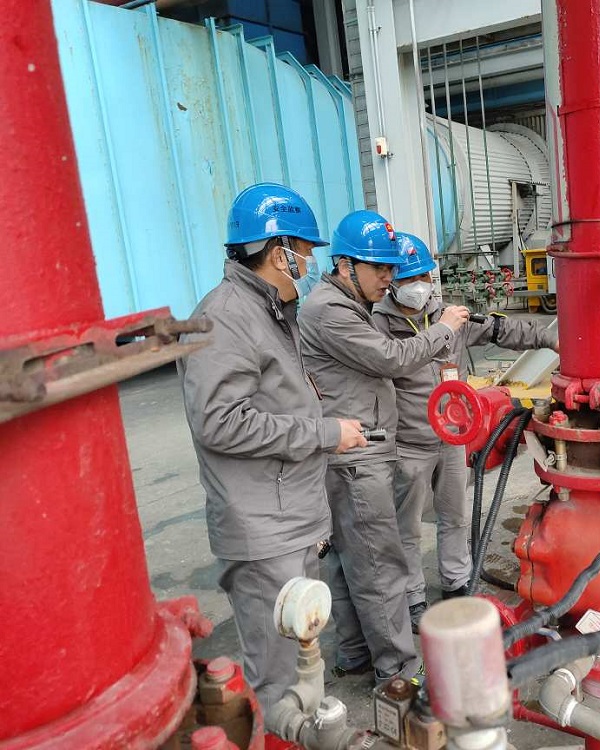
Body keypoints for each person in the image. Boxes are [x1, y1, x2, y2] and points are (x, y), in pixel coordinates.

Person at [177, 183, 367, 715]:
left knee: (302, 662)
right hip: (263, 531)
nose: (309, 261)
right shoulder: (226, 316)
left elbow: (274, 400)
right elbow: (220, 421)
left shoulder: (269, 310)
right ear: (279, 250)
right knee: (280, 679)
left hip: (288, 518)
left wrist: (320, 421)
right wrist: (324, 433)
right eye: (304, 249)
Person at [298, 210, 471, 682]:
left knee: (350, 559)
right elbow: (391, 359)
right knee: (380, 565)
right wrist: (443, 330)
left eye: (393, 269)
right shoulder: (330, 310)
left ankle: (354, 652)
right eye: (380, 268)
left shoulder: (345, 304)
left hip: (357, 447)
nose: (389, 278)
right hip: (358, 454)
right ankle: (397, 673)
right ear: (345, 265)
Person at [373, 233, 558, 629]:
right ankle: (413, 597)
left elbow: (501, 331)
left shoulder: (452, 318)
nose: (417, 286)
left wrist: (550, 338)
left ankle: (456, 582)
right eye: (407, 279)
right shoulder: (379, 326)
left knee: (454, 515)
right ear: (391, 282)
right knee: (406, 527)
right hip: (408, 442)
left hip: (452, 439)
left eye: (423, 276)